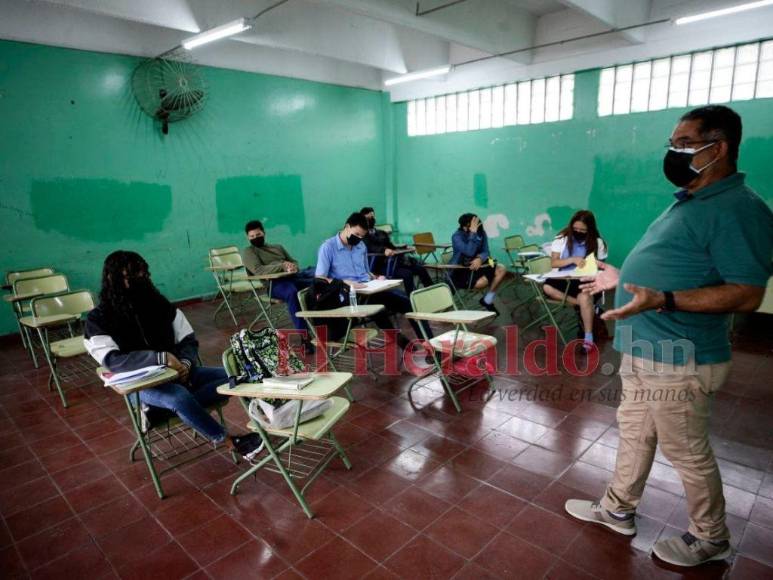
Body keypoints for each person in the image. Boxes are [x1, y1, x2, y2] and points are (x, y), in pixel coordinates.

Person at [564, 105, 773, 567]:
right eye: (672, 145)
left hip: (680, 356)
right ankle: (617, 509)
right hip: (645, 350)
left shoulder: (738, 208)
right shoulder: (692, 199)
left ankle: (710, 537)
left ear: (717, 149)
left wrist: (666, 300)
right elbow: (676, 264)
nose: (673, 153)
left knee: (685, 449)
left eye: (683, 144)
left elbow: (746, 293)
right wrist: (624, 275)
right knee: (634, 433)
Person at [84, 251, 261, 457]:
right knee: (179, 398)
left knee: (241, 374)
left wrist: (186, 363)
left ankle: (162, 412)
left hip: (182, 374)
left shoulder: (159, 305)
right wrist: (161, 357)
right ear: (111, 279)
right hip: (142, 387)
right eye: (131, 277)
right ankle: (229, 441)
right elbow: (112, 361)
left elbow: (187, 340)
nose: (140, 280)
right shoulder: (98, 319)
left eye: (143, 275)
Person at [315, 212, 433, 347]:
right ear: (347, 226)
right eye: (357, 234)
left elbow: (366, 272)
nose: (359, 239)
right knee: (379, 308)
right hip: (349, 296)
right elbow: (320, 279)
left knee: (409, 304)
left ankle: (430, 346)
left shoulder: (360, 246)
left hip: (369, 290)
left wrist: (376, 277)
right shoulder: (328, 247)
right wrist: (344, 282)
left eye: (362, 236)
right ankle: (402, 342)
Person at [242, 220, 314, 352]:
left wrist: (293, 266)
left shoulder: (277, 247)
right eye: (252, 236)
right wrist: (282, 266)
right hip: (274, 284)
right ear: (248, 237)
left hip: (294, 277)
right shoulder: (249, 252)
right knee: (291, 292)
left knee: (319, 281)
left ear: (264, 233)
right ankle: (304, 336)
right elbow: (259, 270)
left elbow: (293, 261)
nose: (255, 238)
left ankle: (324, 323)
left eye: (258, 235)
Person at [543, 210, 608, 350]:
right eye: (575, 229)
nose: (578, 232)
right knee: (547, 288)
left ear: (590, 229)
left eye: (582, 230)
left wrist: (594, 264)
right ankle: (588, 308)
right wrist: (572, 259)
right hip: (565, 278)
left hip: (586, 278)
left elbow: (602, 267)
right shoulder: (562, 238)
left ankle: (588, 336)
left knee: (585, 297)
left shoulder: (598, 242)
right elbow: (554, 263)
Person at [359, 207, 433, 294]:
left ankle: (432, 293)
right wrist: (384, 250)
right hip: (380, 267)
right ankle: (412, 300)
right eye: (368, 218)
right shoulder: (362, 234)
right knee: (407, 274)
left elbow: (392, 247)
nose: (371, 219)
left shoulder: (381, 233)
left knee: (420, 268)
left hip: (394, 262)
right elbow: (369, 247)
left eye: (373, 217)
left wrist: (405, 249)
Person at [450, 213, 507, 315]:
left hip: (482, 263)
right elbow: (469, 252)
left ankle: (487, 299)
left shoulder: (481, 233)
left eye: (477, 224)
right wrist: (473, 234)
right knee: (481, 283)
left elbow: (486, 251)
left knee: (501, 268)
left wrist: (480, 258)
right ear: (465, 226)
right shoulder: (456, 236)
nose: (477, 227)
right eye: (473, 225)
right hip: (462, 268)